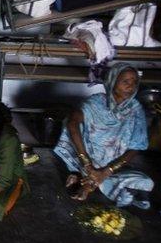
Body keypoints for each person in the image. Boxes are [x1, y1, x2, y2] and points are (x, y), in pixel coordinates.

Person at [54, 63, 153, 208]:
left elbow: (136, 148)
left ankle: (89, 182)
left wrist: (106, 172)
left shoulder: (136, 110)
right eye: (125, 81)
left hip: (112, 168)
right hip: (84, 162)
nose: (131, 87)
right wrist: (87, 164)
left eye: (134, 83)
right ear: (112, 81)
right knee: (72, 124)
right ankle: (91, 180)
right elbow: (72, 123)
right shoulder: (95, 102)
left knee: (146, 182)